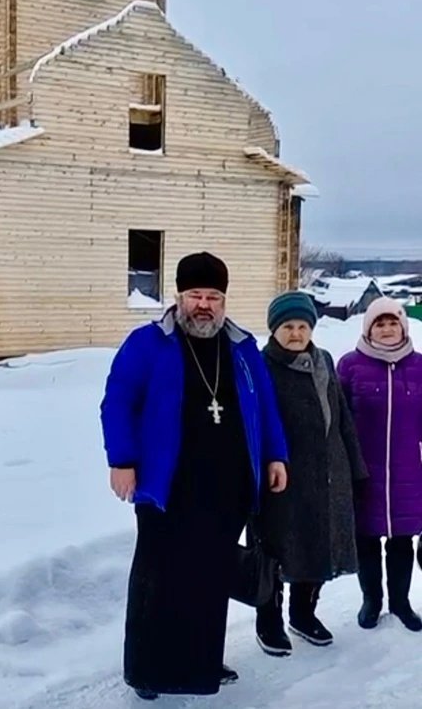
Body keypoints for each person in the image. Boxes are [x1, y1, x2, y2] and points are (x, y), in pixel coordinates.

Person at [100, 251, 288, 702]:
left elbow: (264, 405)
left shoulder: (241, 347)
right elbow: (117, 402)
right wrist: (122, 459)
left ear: (224, 300)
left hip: (227, 487)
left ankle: (199, 661)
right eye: (195, 295)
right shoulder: (148, 343)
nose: (204, 304)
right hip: (167, 487)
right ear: (179, 296)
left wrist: (275, 455)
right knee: (158, 578)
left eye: (214, 296)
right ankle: (148, 669)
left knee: (209, 578)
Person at [255, 291, 368, 657]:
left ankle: (303, 614)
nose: (296, 332)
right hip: (281, 475)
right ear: (274, 329)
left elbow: (343, 419)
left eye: (303, 326)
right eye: (288, 326)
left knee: (318, 544)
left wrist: (355, 468)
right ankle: (268, 622)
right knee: (273, 550)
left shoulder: (323, 361)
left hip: (328, 472)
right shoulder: (261, 366)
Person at [337, 297, 422, 632]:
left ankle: (401, 603)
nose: (387, 329)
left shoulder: (419, 367)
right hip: (363, 470)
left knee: (402, 539)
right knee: (366, 538)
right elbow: (339, 419)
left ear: (403, 326)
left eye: (393, 323)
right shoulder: (349, 366)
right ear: (368, 328)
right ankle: (371, 600)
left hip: (408, 471)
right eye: (379, 323)